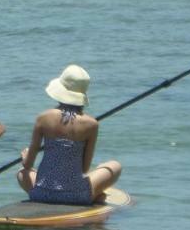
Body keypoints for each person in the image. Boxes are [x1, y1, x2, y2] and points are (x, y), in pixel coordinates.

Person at [17, 64, 122, 205]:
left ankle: (84, 191)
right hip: (77, 197)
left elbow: (28, 165)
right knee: (115, 165)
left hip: (41, 194)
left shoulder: (43, 118)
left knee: (21, 173)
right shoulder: (91, 124)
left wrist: (25, 157)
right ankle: (95, 194)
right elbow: (84, 168)